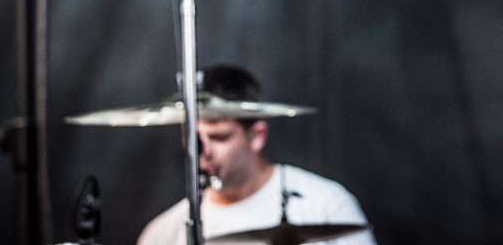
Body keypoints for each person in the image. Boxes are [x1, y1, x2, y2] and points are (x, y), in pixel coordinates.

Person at [137, 65, 375, 245]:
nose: (203, 151)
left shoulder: (327, 206)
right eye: (193, 138)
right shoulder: (162, 233)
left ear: (257, 136)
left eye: (220, 137)